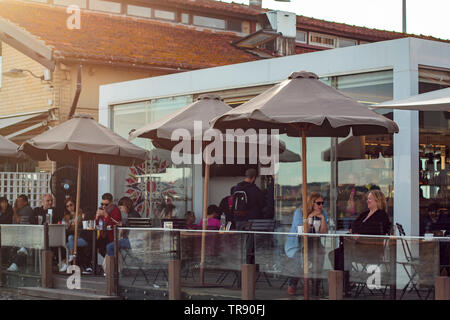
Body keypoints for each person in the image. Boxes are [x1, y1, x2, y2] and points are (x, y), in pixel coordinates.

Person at [285, 192, 328, 296]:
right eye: (318, 203)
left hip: (314, 242)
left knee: (320, 256)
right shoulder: (300, 212)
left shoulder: (323, 213)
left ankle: (315, 286)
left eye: (322, 203)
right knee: (300, 258)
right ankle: (292, 284)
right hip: (298, 243)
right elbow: (302, 232)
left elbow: (324, 233)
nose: (321, 205)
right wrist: (310, 218)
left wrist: (322, 219)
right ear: (311, 203)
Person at [59, 197, 89, 272]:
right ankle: (69, 259)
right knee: (68, 242)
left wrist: (70, 224)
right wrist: (70, 224)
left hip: (82, 238)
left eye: (71, 205)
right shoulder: (66, 216)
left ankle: (69, 260)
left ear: (75, 205)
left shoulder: (80, 212)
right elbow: (64, 226)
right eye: (67, 206)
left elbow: (76, 224)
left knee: (69, 240)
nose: (70, 207)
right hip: (74, 238)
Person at [7, 195, 35, 272]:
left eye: (20, 201)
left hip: (28, 237)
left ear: (25, 202)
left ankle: (15, 264)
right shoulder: (17, 211)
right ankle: (13, 264)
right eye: (17, 201)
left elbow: (19, 220)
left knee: (23, 248)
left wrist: (15, 211)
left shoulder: (27, 209)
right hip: (18, 236)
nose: (18, 203)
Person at [96, 193, 122, 266]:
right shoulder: (101, 209)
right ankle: (108, 264)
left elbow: (114, 224)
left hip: (112, 235)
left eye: (106, 204)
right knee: (94, 246)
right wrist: (97, 217)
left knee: (105, 247)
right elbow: (98, 223)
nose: (103, 206)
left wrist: (106, 215)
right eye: (102, 204)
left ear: (111, 203)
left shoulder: (115, 210)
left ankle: (110, 265)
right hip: (103, 233)